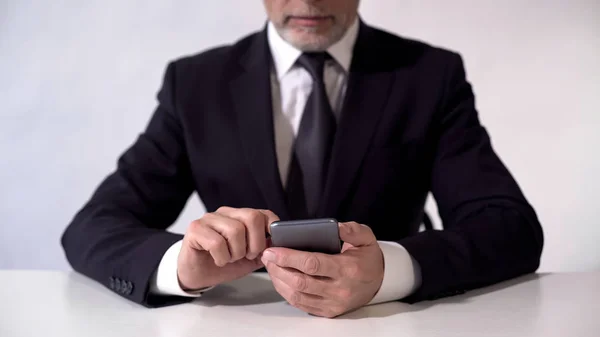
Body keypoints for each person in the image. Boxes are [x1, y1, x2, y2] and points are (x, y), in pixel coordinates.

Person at [61, 0, 544, 318]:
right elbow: (93, 226)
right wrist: (180, 268)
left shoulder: (430, 75)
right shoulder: (194, 84)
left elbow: (509, 226)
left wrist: (390, 272)